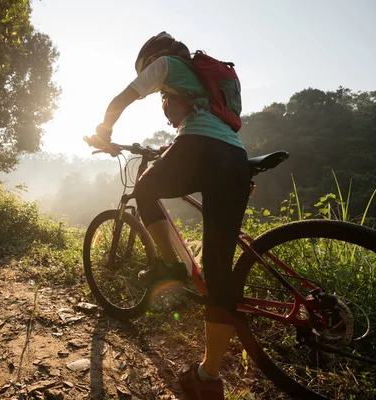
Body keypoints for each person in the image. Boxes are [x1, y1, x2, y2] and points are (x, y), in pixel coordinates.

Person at [89, 32, 250, 400]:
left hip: (201, 149)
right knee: (219, 272)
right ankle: (207, 376)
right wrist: (175, 146)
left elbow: (124, 96)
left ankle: (170, 266)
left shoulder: (167, 65)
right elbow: (206, 123)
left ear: (152, 60)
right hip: (235, 158)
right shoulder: (204, 80)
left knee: (144, 188)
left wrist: (104, 131)